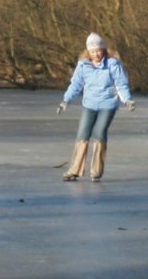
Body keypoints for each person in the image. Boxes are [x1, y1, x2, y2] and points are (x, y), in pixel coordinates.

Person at [57, 32, 133, 181]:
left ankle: (96, 171)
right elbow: (76, 85)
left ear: (103, 49)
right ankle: (74, 170)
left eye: (98, 50)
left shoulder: (112, 64)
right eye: (93, 51)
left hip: (107, 104)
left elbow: (121, 84)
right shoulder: (83, 65)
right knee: (82, 134)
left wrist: (127, 100)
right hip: (89, 104)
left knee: (99, 132)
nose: (96, 54)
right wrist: (66, 101)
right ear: (88, 52)